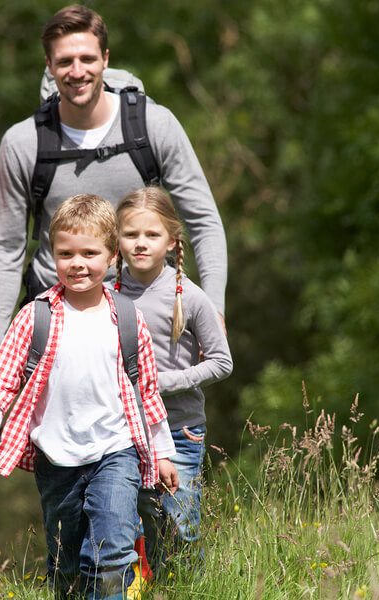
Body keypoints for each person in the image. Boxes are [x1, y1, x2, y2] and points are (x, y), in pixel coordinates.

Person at [0, 4, 227, 359]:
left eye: (87, 58)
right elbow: (5, 250)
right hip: (59, 320)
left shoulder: (154, 126)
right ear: (49, 67)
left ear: (105, 60)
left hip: (148, 316)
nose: (77, 71)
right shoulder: (23, 143)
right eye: (65, 62)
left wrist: (213, 311)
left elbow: (203, 221)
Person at [0, 194, 180, 599]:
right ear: (53, 256)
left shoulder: (126, 316)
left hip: (116, 451)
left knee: (113, 551)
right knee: (65, 562)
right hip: (57, 457)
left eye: (90, 252)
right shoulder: (36, 316)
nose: (77, 263)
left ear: (112, 255)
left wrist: (162, 452)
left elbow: (146, 392)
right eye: (66, 253)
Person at [114, 187, 233, 574]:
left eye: (152, 235)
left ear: (171, 241)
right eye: (131, 235)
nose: (141, 244)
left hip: (179, 429)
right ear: (117, 239)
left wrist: (162, 382)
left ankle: (184, 588)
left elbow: (221, 362)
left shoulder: (190, 296)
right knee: (127, 525)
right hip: (120, 431)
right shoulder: (105, 295)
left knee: (178, 526)